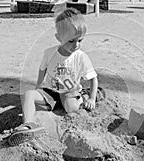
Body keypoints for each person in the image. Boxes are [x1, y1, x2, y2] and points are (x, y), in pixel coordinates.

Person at [8, 8, 98, 146]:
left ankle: (83, 96)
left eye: (80, 40)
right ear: (58, 38)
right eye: (71, 41)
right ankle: (28, 126)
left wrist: (91, 98)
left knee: (71, 108)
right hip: (50, 92)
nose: (77, 45)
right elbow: (42, 69)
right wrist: (38, 86)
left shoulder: (81, 57)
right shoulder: (49, 53)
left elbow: (93, 78)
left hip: (70, 92)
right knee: (28, 95)